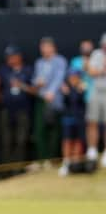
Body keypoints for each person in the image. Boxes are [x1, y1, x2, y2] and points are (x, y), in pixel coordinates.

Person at [32, 36, 67, 165]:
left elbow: (59, 77)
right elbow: (35, 79)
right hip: (41, 100)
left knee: (54, 130)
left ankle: (53, 159)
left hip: (54, 101)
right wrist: (37, 83)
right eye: (42, 47)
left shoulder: (60, 61)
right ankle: (43, 158)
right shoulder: (39, 62)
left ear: (53, 47)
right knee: (40, 130)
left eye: (46, 47)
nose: (44, 49)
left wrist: (51, 91)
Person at [0, 45, 33, 164]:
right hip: (7, 110)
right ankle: (7, 170)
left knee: (21, 140)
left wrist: (21, 85)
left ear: (19, 56)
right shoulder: (3, 70)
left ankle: (18, 170)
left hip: (23, 110)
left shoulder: (28, 70)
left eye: (12, 56)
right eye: (8, 57)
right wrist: (0, 95)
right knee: (6, 141)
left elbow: (35, 90)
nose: (10, 59)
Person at [59, 69, 86, 176]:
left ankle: (75, 164)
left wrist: (79, 91)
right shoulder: (65, 89)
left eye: (75, 77)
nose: (73, 79)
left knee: (78, 141)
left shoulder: (82, 88)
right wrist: (67, 93)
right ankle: (66, 163)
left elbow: (80, 101)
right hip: (68, 119)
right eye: (71, 77)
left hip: (79, 119)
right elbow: (67, 102)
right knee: (67, 141)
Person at [85, 33, 106, 168]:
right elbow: (91, 72)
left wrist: (100, 70)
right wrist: (103, 69)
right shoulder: (96, 54)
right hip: (95, 92)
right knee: (92, 121)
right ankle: (92, 150)